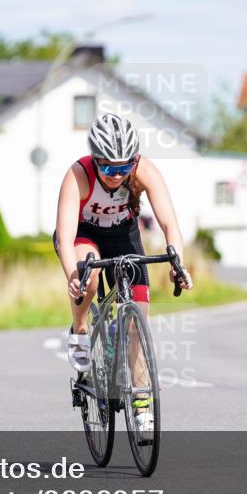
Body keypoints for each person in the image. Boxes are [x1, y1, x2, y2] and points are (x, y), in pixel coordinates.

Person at [54, 113, 193, 434]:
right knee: (87, 273)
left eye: (123, 167)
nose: (117, 175)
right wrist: (72, 276)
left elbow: (170, 224)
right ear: (95, 159)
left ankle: (142, 402)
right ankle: (79, 330)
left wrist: (178, 265)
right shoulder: (78, 175)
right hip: (82, 235)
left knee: (138, 320)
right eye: (108, 167)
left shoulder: (144, 171)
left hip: (122, 236)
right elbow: (64, 234)